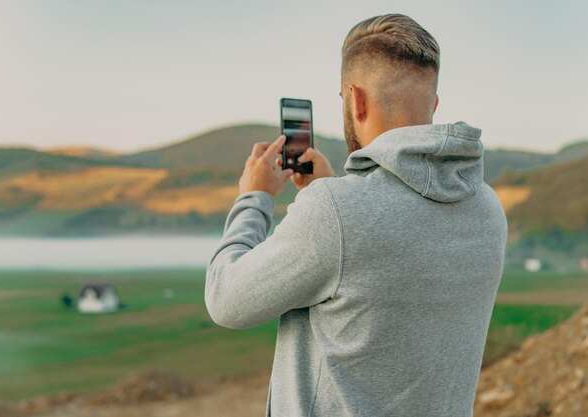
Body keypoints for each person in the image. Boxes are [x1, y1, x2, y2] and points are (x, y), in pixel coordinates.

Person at [205, 13, 507, 417]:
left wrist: (254, 198)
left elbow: (226, 299)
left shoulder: (335, 213)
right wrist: (331, 194)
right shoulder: (487, 208)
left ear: (356, 99)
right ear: (433, 105)